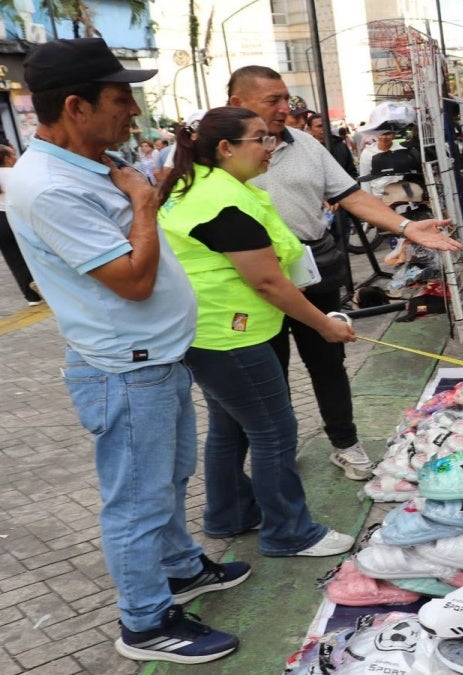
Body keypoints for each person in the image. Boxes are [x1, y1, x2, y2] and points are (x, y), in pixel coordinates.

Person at [7, 37, 246, 664]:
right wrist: (143, 202)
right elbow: (133, 281)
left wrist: (145, 198)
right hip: (125, 369)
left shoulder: (94, 165)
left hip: (154, 360)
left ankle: (179, 566)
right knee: (137, 502)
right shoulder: (51, 187)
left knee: (168, 478)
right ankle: (144, 620)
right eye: (121, 100)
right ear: (76, 106)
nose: (135, 113)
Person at [227, 65, 461, 481]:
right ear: (237, 103)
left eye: (285, 99)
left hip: (313, 267)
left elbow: (352, 196)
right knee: (268, 371)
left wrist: (406, 227)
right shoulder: (219, 154)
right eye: (272, 100)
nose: (284, 108)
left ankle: (345, 444)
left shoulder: (304, 143)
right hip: (251, 281)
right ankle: (277, 450)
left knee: (328, 361)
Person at [159, 105, 358, 559]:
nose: (271, 148)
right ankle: (289, 532)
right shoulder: (222, 201)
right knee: (274, 431)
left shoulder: (202, 186)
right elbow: (267, 282)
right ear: (225, 148)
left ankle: (229, 514)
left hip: (210, 333)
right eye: (261, 139)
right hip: (231, 336)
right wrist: (324, 325)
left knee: (231, 428)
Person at [0, 145, 42, 305]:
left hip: (1, 222)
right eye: (13, 154)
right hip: (16, 216)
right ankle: (43, 284)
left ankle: (31, 297)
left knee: (14, 259)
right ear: (6, 158)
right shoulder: (14, 173)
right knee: (35, 251)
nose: (15, 158)